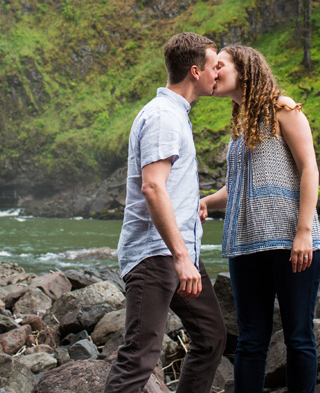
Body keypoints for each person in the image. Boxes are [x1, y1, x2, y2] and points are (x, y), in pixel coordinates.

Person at [104, 32, 227, 393]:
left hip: (176, 250)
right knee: (140, 356)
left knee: (211, 336)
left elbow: (167, 188)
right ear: (194, 71)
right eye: (213, 65)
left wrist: (193, 209)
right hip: (158, 255)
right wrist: (181, 256)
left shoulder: (175, 114)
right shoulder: (162, 117)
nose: (218, 72)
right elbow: (153, 187)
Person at [200, 45, 320, 393]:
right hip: (246, 244)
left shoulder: (284, 108)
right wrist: (206, 203)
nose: (214, 71)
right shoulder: (240, 124)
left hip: (292, 243)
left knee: (298, 337)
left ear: (244, 69)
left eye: (220, 65)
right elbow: (238, 187)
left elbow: (309, 170)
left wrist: (303, 233)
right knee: (250, 341)